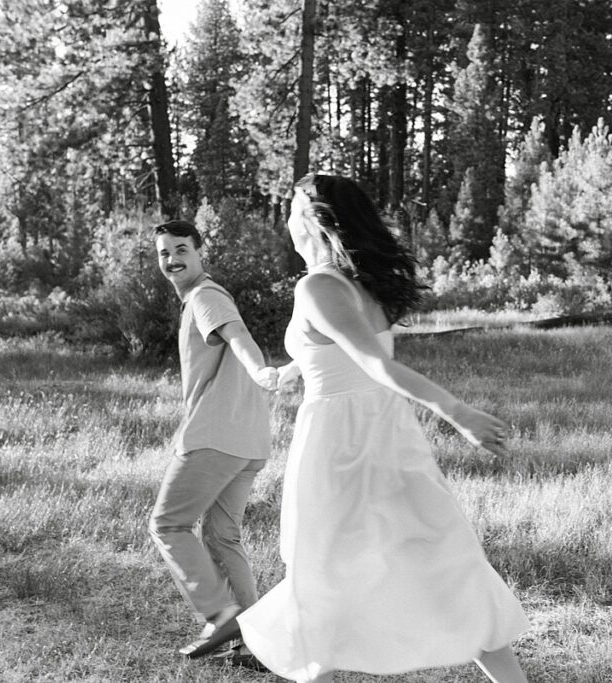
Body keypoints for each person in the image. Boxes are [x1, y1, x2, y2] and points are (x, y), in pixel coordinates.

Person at [235, 174, 530, 682]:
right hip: (389, 433)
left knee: (326, 575)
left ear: (314, 219)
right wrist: (294, 368)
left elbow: (375, 364)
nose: (286, 218)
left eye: (292, 207)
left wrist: (456, 412)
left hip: (341, 444)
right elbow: (342, 352)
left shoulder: (317, 286)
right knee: (441, 559)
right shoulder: (358, 284)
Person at [147, 219, 278, 661]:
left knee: (168, 524)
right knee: (222, 538)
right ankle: (254, 647)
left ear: (200, 252)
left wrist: (258, 368)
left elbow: (237, 335)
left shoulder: (205, 296)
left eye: (181, 249)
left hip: (216, 437)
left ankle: (222, 617)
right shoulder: (204, 297)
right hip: (249, 441)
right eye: (164, 253)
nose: (172, 259)